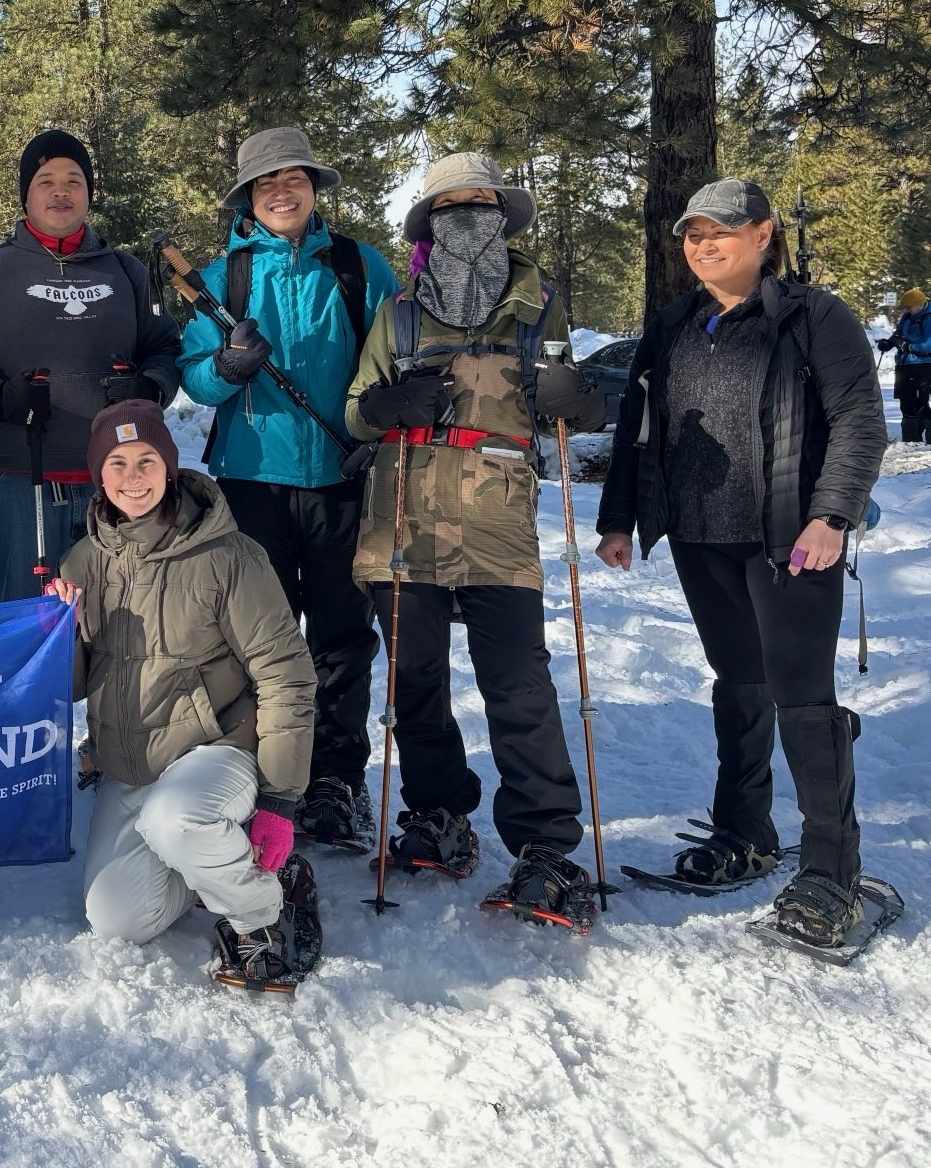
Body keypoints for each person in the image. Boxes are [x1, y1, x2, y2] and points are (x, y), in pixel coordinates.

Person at [596, 178, 885, 946]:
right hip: (699, 535)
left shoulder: (813, 317)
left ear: (764, 235)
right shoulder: (674, 324)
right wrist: (619, 516)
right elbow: (638, 422)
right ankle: (746, 830)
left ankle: (831, 869)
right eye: (693, 234)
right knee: (740, 682)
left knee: (803, 697)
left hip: (790, 539)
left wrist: (832, 516)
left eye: (720, 231)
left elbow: (860, 420)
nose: (703, 245)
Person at [344, 152, 611, 922]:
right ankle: (438, 812)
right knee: (414, 679)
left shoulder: (539, 307)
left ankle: (546, 846)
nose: (467, 217)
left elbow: (572, 411)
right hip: (406, 509)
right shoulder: (397, 313)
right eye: (451, 206)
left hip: (498, 512)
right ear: (430, 221)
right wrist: (389, 403)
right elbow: (357, 410)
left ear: (503, 213)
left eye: (480, 204)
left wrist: (573, 397)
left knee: (517, 681)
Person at [177, 127, 399, 848]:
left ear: (313, 188)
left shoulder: (361, 269)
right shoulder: (222, 279)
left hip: (341, 480)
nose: (282, 191)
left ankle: (335, 781)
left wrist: (384, 430)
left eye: (293, 179)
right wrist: (229, 370)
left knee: (340, 637)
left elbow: (396, 365)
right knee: (257, 641)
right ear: (248, 197)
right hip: (251, 485)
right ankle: (261, 775)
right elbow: (195, 376)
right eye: (267, 183)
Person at [49, 400, 320, 988]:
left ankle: (265, 910)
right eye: (117, 464)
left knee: (176, 818)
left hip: (215, 749)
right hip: (131, 765)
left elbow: (286, 674)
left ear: (169, 467)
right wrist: (60, 633)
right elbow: (70, 689)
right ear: (99, 476)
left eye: (146, 460)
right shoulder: (82, 560)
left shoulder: (230, 557)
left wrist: (280, 801)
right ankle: (216, 861)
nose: (133, 477)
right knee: (118, 918)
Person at [0, 129, 182, 602]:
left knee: (122, 635)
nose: (61, 190)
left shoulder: (126, 272)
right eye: (46, 180)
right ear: (26, 194)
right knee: (24, 629)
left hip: (115, 482)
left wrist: (147, 389)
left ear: (89, 193)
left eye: (74, 180)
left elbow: (166, 348)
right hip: (15, 482)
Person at [879, 287, 930, 443]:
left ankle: (925, 439)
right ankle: (910, 440)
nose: (907, 310)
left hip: (922, 366)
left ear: (919, 304)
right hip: (904, 365)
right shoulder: (908, 317)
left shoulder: (928, 318)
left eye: (909, 307)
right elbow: (899, 335)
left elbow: (928, 345)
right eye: (906, 307)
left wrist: (909, 347)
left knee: (919, 402)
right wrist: (889, 343)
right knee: (905, 402)